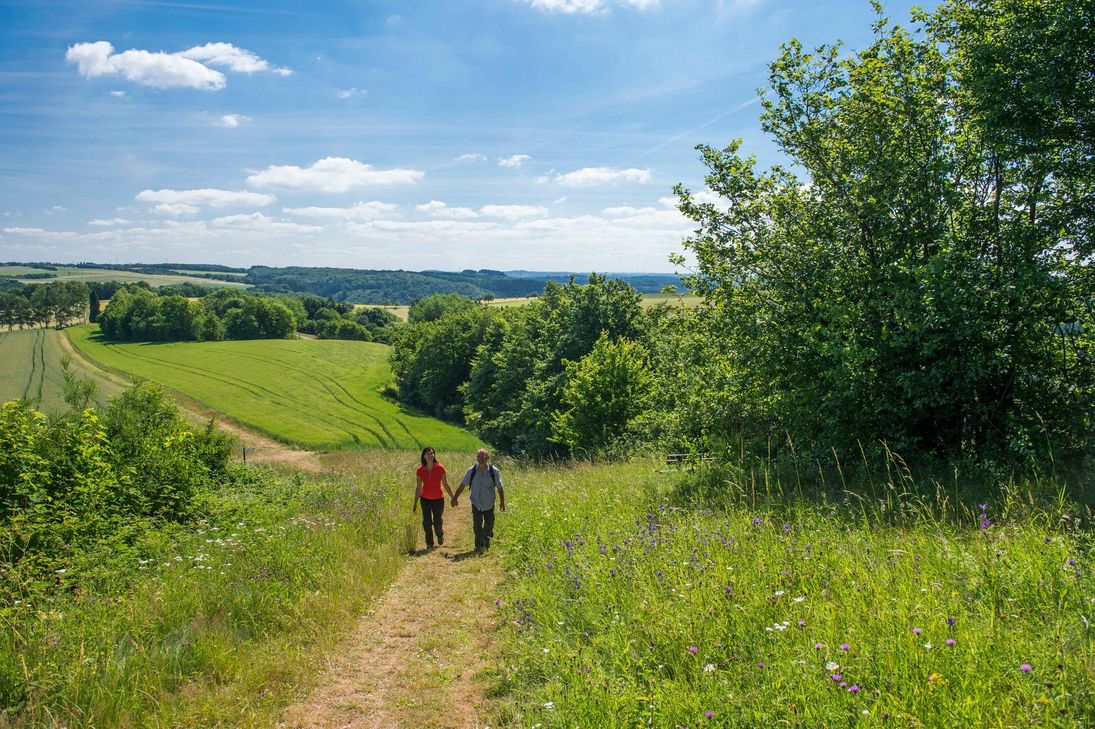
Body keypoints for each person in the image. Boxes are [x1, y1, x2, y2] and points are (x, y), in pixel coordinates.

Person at [452, 448, 505, 552]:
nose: (481, 458)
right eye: (479, 456)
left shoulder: (494, 471)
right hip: (476, 503)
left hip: (489, 503)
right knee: (477, 526)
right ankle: (479, 546)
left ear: (488, 457)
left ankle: (487, 539)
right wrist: (455, 498)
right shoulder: (471, 471)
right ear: (476, 458)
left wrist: (502, 502)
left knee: (489, 525)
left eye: (483, 456)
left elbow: (500, 488)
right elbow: (462, 485)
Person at [413, 446, 453, 550]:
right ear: (424, 456)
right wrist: (415, 503)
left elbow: (445, 484)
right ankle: (429, 543)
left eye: (431, 453)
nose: (430, 455)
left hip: (438, 499)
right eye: (427, 454)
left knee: (437, 521)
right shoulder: (420, 470)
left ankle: (440, 535)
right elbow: (418, 488)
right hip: (425, 499)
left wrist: (453, 497)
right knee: (427, 522)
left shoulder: (440, 468)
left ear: (434, 455)